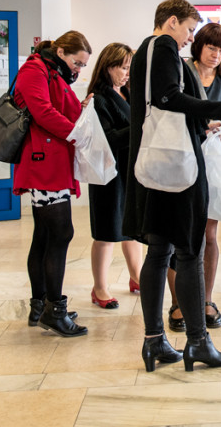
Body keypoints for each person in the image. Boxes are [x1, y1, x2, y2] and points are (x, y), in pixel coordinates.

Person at [125, 0, 221, 372]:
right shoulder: (162, 45)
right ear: (172, 21)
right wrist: (217, 109)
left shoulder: (144, 49)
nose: (187, 38)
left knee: (158, 251)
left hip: (154, 165)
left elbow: (161, 104)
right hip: (177, 169)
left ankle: (154, 340)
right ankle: (197, 342)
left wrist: (201, 122)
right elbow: (168, 97)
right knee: (189, 251)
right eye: (189, 30)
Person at [13, 31, 92, 337]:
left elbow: (59, 109)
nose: (78, 70)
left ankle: (41, 304)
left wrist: (82, 106)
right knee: (61, 232)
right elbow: (42, 111)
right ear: (60, 51)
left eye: (83, 65)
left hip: (52, 160)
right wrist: (76, 133)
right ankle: (54, 310)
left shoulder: (53, 72)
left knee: (46, 235)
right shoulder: (35, 69)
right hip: (43, 162)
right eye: (76, 62)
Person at [185, 22, 221, 331]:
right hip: (181, 156)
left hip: (212, 157)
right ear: (199, 46)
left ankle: (206, 299)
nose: (217, 55)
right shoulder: (184, 72)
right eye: (212, 48)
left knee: (209, 234)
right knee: (181, 236)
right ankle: (180, 302)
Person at [86, 42, 143, 309]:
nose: (127, 73)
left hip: (131, 170)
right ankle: (100, 288)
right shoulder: (99, 98)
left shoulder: (128, 94)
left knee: (133, 229)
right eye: (123, 68)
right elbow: (107, 139)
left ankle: (137, 277)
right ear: (108, 67)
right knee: (107, 232)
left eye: (130, 68)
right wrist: (140, 128)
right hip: (108, 172)